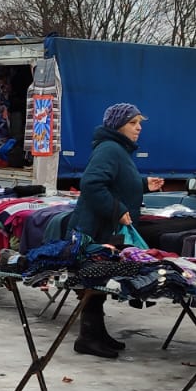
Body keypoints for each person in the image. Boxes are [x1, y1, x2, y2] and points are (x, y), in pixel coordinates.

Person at [68, 103, 166, 359]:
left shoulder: (118, 150)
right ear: (118, 125)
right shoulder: (110, 149)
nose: (139, 128)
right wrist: (116, 210)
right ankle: (87, 337)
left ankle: (96, 333)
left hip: (103, 228)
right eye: (133, 123)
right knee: (94, 279)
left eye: (139, 123)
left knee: (99, 281)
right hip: (95, 230)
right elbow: (91, 183)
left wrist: (144, 184)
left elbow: (115, 182)